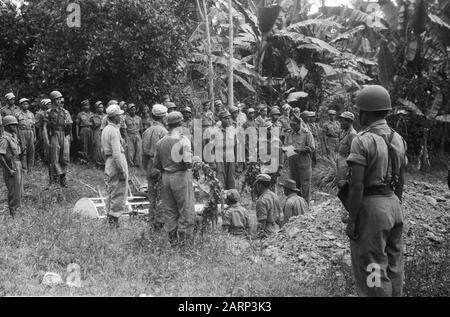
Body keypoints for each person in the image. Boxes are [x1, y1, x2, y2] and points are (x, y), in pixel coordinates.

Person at [346, 85, 407, 297]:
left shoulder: (362, 140)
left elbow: (357, 185)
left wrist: (353, 218)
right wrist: (395, 204)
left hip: (372, 207)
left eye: (360, 110)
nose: (358, 114)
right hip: (393, 205)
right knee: (394, 265)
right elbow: (401, 181)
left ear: (368, 112)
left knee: (373, 268)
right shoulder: (398, 139)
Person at [153, 111, 195, 247]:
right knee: (186, 208)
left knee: (170, 209)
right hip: (181, 175)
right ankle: (184, 242)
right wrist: (196, 163)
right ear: (181, 124)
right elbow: (188, 163)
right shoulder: (183, 140)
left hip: (166, 177)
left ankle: (173, 241)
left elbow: (156, 164)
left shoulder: (161, 142)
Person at [101, 102, 129, 228]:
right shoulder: (113, 131)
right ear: (114, 117)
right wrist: (122, 170)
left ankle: (110, 216)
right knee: (119, 191)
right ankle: (114, 219)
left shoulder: (106, 129)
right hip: (116, 161)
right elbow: (117, 153)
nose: (121, 117)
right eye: (119, 115)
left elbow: (102, 151)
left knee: (111, 190)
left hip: (109, 161)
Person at [142, 104, 168, 230]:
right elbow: (165, 153)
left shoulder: (146, 131)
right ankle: (159, 222)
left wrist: (146, 167)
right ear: (162, 117)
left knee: (152, 196)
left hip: (149, 165)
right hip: (160, 166)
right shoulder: (164, 132)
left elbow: (143, 154)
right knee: (162, 196)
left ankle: (151, 220)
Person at [43, 90, 72, 187]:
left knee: (65, 157)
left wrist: (68, 137)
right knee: (54, 158)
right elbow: (44, 127)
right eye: (57, 99)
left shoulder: (65, 112)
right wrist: (46, 140)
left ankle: (63, 179)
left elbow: (69, 125)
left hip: (63, 135)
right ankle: (54, 181)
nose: (59, 101)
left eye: (60, 99)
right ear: (53, 100)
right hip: (54, 135)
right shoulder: (48, 112)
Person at [284, 114, 315, 204]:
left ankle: (306, 205)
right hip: (292, 163)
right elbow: (286, 144)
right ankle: (297, 204)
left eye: (294, 125)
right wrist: (284, 149)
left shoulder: (306, 133)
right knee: (294, 185)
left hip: (303, 163)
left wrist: (301, 150)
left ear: (299, 123)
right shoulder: (290, 134)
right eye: (291, 125)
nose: (292, 127)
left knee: (305, 186)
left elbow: (312, 148)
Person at [0, 116, 24, 217]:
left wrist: (21, 153)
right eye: (13, 125)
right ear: (8, 126)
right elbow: (1, 155)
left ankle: (16, 211)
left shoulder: (13, 136)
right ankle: (13, 213)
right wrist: (8, 169)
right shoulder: (5, 139)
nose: (15, 127)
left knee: (19, 189)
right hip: (11, 166)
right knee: (13, 190)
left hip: (17, 163)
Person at [214, 110, 236, 190]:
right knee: (220, 175)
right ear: (221, 119)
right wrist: (212, 161)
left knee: (231, 175)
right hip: (219, 154)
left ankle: (231, 195)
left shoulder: (232, 130)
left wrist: (237, 160)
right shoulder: (215, 131)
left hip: (230, 154)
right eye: (226, 118)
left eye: (229, 118)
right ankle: (221, 195)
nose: (228, 120)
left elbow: (236, 145)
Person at [254, 173, 281, 238]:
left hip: (268, 233)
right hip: (277, 230)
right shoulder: (275, 196)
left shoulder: (261, 200)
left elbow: (262, 222)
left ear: (260, 185)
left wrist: (258, 234)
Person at [336, 111, 357, 188]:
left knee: (344, 184)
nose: (340, 123)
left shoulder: (352, 134)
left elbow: (353, 153)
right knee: (340, 183)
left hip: (346, 163)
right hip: (341, 160)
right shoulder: (344, 132)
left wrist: (350, 169)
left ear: (350, 122)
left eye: (343, 121)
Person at [15, 98, 36, 173]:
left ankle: (30, 168)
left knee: (31, 150)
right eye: (24, 104)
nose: (26, 105)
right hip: (21, 132)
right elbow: (16, 127)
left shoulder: (31, 114)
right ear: (21, 105)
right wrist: (17, 137)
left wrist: (34, 136)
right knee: (23, 150)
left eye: (27, 104)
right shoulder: (17, 114)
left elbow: (33, 126)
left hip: (30, 132)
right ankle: (24, 169)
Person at [125, 103, 143, 167]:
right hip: (129, 135)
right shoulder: (126, 119)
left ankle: (137, 164)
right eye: (131, 110)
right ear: (129, 110)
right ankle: (131, 164)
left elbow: (141, 129)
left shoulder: (139, 118)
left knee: (138, 150)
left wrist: (141, 137)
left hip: (137, 134)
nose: (133, 111)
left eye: (134, 110)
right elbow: (125, 129)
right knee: (130, 150)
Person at [91, 101, 106, 167]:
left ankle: (104, 162)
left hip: (105, 132)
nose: (101, 108)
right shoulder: (93, 116)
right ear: (96, 108)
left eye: (102, 107)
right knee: (97, 147)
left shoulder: (106, 116)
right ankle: (98, 163)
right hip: (97, 132)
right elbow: (92, 127)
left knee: (105, 147)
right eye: (99, 107)